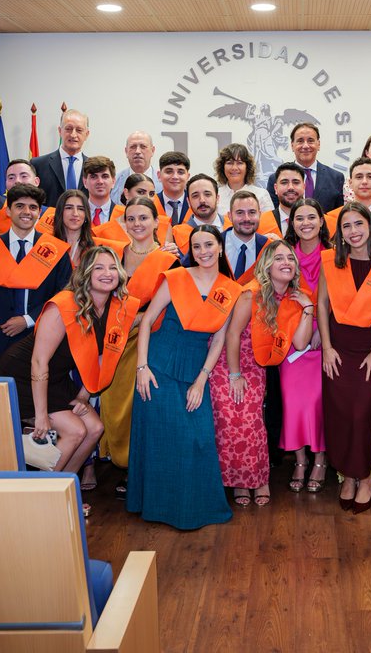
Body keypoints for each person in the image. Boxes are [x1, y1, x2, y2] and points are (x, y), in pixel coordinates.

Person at [129, 226, 243, 530]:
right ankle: (158, 507)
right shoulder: (176, 278)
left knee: (197, 437)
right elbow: (147, 321)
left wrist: (202, 379)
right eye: (197, 246)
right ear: (190, 251)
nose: (203, 251)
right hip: (158, 365)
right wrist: (142, 366)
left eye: (209, 245)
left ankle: (194, 507)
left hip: (194, 368)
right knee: (161, 437)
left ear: (220, 248)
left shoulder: (230, 289)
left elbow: (219, 340)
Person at [0, 246, 137, 485]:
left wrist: (83, 396)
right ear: (86, 273)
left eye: (113, 268)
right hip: (23, 376)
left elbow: (103, 357)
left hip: (57, 378)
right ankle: (40, 493)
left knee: (94, 428)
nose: (107, 273)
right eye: (99, 268)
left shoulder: (115, 308)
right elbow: (39, 361)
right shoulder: (62, 305)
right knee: (76, 430)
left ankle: (65, 489)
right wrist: (41, 415)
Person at [318, 202, 371, 513]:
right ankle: (347, 476)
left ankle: (364, 476)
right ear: (340, 233)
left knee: (362, 414)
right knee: (339, 414)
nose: (353, 231)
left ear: (370, 224)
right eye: (346, 226)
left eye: (359, 223)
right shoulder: (331, 262)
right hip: (337, 348)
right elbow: (322, 305)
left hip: (369, 348)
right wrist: (327, 348)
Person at [215, 242, 315, 506]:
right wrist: (234, 375)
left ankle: (258, 479)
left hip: (258, 366)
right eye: (278, 258)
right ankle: (241, 482)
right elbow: (232, 334)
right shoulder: (251, 294)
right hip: (230, 364)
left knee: (253, 423)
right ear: (267, 266)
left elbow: (301, 343)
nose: (286, 263)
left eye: (290, 259)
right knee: (234, 421)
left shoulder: (295, 298)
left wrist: (308, 309)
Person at [96, 197, 180, 497]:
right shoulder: (113, 255)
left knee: (143, 406)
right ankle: (122, 461)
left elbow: (175, 305)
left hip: (151, 341)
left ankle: (141, 471)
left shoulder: (169, 259)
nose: (137, 224)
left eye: (143, 218)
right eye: (130, 219)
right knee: (115, 403)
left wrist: (140, 318)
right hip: (114, 341)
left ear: (157, 222)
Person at [0, 184, 73, 375]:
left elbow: (63, 296)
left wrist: (28, 319)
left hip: (42, 338)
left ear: (39, 213)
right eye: (19, 206)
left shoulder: (55, 250)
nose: (27, 212)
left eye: (33, 207)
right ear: (8, 211)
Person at [282, 197, 331, 492]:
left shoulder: (334, 255)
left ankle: (320, 460)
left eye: (311, 217)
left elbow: (339, 299)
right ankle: (300, 460)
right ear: (292, 223)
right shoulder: (285, 254)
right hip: (292, 340)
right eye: (299, 218)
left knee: (318, 402)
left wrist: (323, 333)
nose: (306, 223)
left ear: (321, 221)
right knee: (292, 402)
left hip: (323, 339)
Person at [265, 122, 345, 212]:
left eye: (310, 140)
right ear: (292, 145)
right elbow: (273, 215)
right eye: (300, 141)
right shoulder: (275, 178)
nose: (306, 146)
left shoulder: (336, 178)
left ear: (318, 144)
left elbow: (338, 215)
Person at [30, 107, 90, 208]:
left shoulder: (93, 168)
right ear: (60, 131)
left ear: (87, 134)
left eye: (79, 130)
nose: (73, 135)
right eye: (68, 129)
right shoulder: (38, 165)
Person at [220, 191, 270, 284]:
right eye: (240, 213)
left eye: (252, 212)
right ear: (230, 216)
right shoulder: (216, 243)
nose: (247, 218)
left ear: (259, 214)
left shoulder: (269, 248)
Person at [325, 157, 371, 234]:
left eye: (370, 177)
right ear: (350, 183)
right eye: (359, 177)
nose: (364, 181)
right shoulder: (333, 218)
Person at [215, 143, 274, 216]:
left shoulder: (261, 195)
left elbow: (268, 222)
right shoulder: (215, 195)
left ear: (247, 167)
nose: (234, 168)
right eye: (229, 163)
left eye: (239, 163)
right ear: (222, 167)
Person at [171, 173, 220, 255]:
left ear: (217, 198)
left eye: (207, 194)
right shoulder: (176, 234)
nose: (202, 200)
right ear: (188, 202)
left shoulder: (232, 226)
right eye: (195, 196)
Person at [49, 189, 96, 267]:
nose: (75, 213)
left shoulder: (94, 249)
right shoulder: (48, 245)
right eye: (69, 208)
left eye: (81, 209)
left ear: (86, 215)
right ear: (60, 212)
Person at [111, 131, 162, 199]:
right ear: (126, 151)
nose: (137, 151)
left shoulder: (163, 182)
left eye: (143, 147)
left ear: (152, 150)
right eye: (133, 147)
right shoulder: (114, 182)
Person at [153, 151, 193, 227]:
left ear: (187, 176)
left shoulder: (195, 204)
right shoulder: (151, 203)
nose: (175, 177)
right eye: (169, 172)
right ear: (159, 175)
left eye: (180, 172)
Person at [270, 162, 307, 237]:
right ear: (276, 188)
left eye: (296, 182)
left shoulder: (319, 223)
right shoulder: (261, 223)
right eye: (284, 182)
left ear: (304, 187)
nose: (290, 187)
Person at [81, 156, 117, 231]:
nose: (100, 181)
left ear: (113, 182)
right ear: (85, 182)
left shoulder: (124, 216)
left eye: (105, 176)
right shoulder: (76, 215)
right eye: (94, 177)